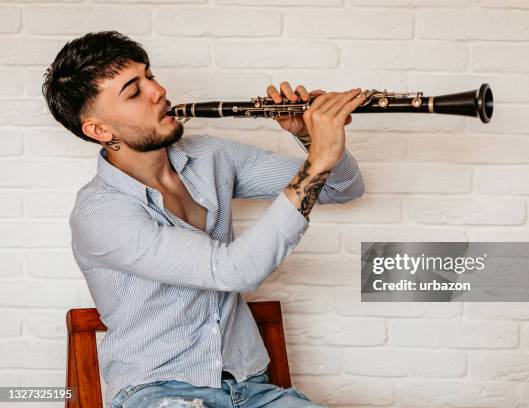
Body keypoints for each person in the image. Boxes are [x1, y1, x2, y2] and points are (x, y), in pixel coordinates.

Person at [42, 31, 365, 408]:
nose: (158, 90)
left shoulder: (212, 156)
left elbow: (342, 188)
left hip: (250, 388)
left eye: (150, 75)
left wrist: (313, 141)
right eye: (133, 91)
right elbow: (233, 270)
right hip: (156, 393)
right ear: (100, 130)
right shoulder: (100, 213)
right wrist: (315, 165)